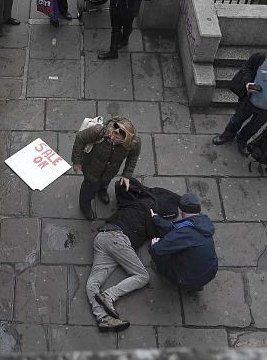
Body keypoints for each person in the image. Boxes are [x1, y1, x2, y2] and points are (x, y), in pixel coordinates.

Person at [212, 40, 267, 155]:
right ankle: (228, 135)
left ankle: (242, 140)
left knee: (253, 127)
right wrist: (248, 83)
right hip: (249, 100)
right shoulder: (260, 56)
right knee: (236, 120)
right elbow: (246, 68)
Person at [86, 177, 151, 332]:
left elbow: (120, 186)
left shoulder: (129, 203)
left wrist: (126, 178)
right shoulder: (146, 212)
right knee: (142, 276)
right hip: (117, 239)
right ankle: (108, 296)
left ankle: (103, 318)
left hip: (102, 238)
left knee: (93, 283)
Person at [71, 117, 140, 220]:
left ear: (125, 140)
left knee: (104, 183)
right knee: (88, 189)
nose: (111, 137)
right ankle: (85, 206)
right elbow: (80, 138)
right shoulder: (99, 132)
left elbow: (133, 156)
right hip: (91, 169)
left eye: (116, 137)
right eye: (112, 133)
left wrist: (126, 175)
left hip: (110, 172)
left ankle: (102, 191)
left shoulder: (134, 143)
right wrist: (76, 161)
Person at [148, 193, 218, 292]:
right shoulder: (202, 222)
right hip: (210, 272)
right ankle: (195, 284)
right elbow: (174, 228)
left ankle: (164, 271)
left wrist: (154, 245)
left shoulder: (185, 233)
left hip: (187, 279)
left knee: (154, 249)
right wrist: (156, 219)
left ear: (182, 212)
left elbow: (158, 249)